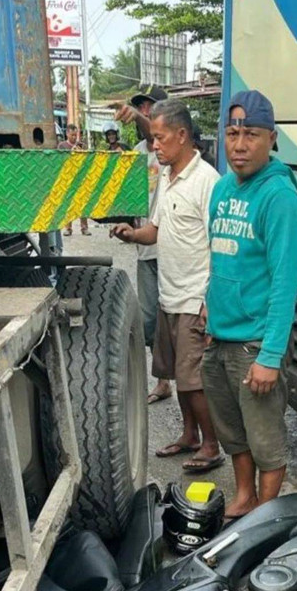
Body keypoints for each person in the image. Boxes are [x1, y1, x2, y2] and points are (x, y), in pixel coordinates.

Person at [202, 91, 297, 519]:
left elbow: (285, 283)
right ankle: (245, 496)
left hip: (255, 344)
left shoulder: (280, 198)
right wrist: (209, 306)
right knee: (233, 432)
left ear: (272, 139)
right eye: (232, 134)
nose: (239, 145)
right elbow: (220, 257)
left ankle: (266, 516)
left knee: (266, 440)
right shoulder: (222, 188)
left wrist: (270, 355)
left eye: (251, 135)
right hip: (220, 337)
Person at [111, 100, 224, 472]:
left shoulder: (207, 181)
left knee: (193, 381)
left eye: (160, 138)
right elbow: (155, 230)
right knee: (177, 373)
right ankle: (189, 435)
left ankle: (211, 445)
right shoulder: (167, 176)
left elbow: (220, 246)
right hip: (169, 296)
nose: (154, 145)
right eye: (153, 138)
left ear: (182, 135)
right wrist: (132, 235)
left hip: (194, 298)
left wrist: (210, 299)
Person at [133, 132, 171, 404]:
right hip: (145, 248)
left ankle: (174, 380)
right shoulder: (136, 153)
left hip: (170, 250)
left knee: (176, 319)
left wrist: (138, 116)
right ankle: (164, 380)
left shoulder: (170, 153)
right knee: (148, 320)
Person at [59, 124, 91, 236]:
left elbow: (87, 160)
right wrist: (71, 153)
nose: (74, 137)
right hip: (68, 178)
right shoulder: (62, 146)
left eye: (75, 135)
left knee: (82, 204)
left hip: (80, 177)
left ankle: (84, 228)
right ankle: (68, 228)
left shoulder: (81, 145)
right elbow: (60, 160)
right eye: (72, 135)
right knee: (68, 204)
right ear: (67, 134)